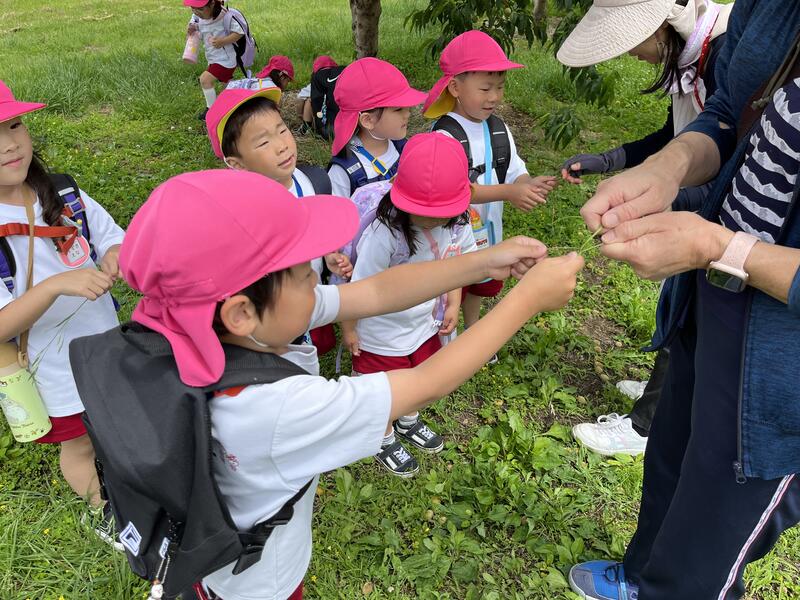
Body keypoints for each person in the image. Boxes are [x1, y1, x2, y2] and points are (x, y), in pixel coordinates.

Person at [112, 168, 584, 599]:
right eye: (304, 273)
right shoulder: (272, 409)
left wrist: (482, 261)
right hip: (259, 585)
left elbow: (373, 291)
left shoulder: (191, 322)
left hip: (210, 555)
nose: (313, 282)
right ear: (241, 313)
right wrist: (527, 300)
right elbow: (425, 383)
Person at [567, 1, 800, 598]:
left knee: (702, 549)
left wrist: (720, 247)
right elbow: (729, 109)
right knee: (672, 453)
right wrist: (667, 167)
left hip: (780, 370)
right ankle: (639, 576)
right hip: (714, 295)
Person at [556, 0, 731, 457]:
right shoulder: (692, 57)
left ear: (662, 25)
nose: (629, 52)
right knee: (681, 298)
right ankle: (666, 387)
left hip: (728, 219)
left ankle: (646, 424)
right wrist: (610, 161)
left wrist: (673, 203)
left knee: (692, 307)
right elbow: (675, 139)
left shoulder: (727, 57)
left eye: (631, 39)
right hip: (700, 207)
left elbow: (736, 163)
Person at [0, 81, 123, 513]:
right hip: (54, 367)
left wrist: (115, 255)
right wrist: (54, 285)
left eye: (14, 125)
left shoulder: (64, 192)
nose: (9, 144)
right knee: (81, 445)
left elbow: (112, 238)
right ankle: (104, 513)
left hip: (107, 345)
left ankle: (131, 488)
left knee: (119, 424)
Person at [342, 133, 477, 477]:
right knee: (383, 385)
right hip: (381, 329)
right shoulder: (386, 233)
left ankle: (407, 418)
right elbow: (358, 286)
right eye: (421, 211)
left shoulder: (458, 224)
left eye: (441, 213)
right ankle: (382, 433)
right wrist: (349, 328)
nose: (431, 220)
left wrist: (453, 303)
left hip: (423, 322)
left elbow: (457, 265)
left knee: (417, 375)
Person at [424, 30, 557, 350]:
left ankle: (473, 331)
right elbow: (457, 192)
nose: (494, 97)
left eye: (500, 87)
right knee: (450, 286)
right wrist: (509, 193)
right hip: (451, 236)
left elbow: (514, 170)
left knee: (480, 283)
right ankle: (444, 342)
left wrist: (526, 185)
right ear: (455, 87)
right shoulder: (444, 136)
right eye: (485, 88)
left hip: (487, 230)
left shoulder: (498, 128)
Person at [205, 87, 351, 355]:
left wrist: (328, 255)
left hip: (311, 289)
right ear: (237, 164)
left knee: (316, 344)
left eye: (282, 130)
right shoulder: (242, 215)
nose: (282, 145)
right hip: (274, 313)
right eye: (263, 143)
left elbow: (316, 230)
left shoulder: (313, 181)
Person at [327, 58, 425, 199]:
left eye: (407, 108)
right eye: (398, 109)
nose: (407, 114)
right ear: (368, 120)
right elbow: (336, 212)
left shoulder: (403, 148)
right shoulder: (343, 172)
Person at [184, 0, 245, 120]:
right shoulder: (197, 16)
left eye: (200, 9)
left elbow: (239, 33)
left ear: (212, 4)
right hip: (213, 58)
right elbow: (195, 24)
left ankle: (212, 111)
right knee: (226, 84)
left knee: (205, 79)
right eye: (193, 8)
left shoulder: (225, 16)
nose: (196, 12)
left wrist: (223, 41)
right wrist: (191, 28)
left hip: (225, 60)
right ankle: (237, 101)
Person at [296, 55, 339, 132]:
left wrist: (300, 115)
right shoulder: (340, 80)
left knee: (309, 100)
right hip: (341, 120)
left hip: (324, 123)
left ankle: (306, 127)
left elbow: (300, 98)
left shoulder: (316, 82)